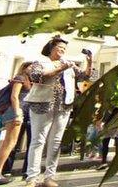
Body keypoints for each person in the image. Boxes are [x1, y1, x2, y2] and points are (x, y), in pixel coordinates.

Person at [24, 37, 92, 187]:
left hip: (64, 106)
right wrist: (60, 69)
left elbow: (85, 76)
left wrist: (90, 60)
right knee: (38, 141)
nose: (62, 50)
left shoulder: (69, 63)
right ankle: (32, 178)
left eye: (64, 49)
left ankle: (49, 177)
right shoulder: (40, 62)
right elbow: (37, 77)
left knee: (55, 142)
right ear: (51, 48)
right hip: (42, 104)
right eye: (60, 47)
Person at [0, 62, 34, 185]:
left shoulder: (29, 80)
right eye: (31, 66)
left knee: (9, 143)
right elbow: (14, 97)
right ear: (24, 68)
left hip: (14, 112)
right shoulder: (21, 78)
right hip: (13, 111)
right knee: (9, 143)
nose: (33, 68)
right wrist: (17, 112)